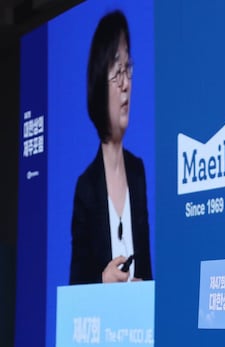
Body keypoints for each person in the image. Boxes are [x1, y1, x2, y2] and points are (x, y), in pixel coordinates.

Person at [69, 10, 152, 284]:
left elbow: (148, 267)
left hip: (140, 312)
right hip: (103, 312)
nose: (126, 83)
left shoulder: (137, 171)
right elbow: (76, 285)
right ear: (98, 85)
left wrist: (146, 289)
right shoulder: (86, 187)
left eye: (128, 69)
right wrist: (103, 281)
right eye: (117, 72)